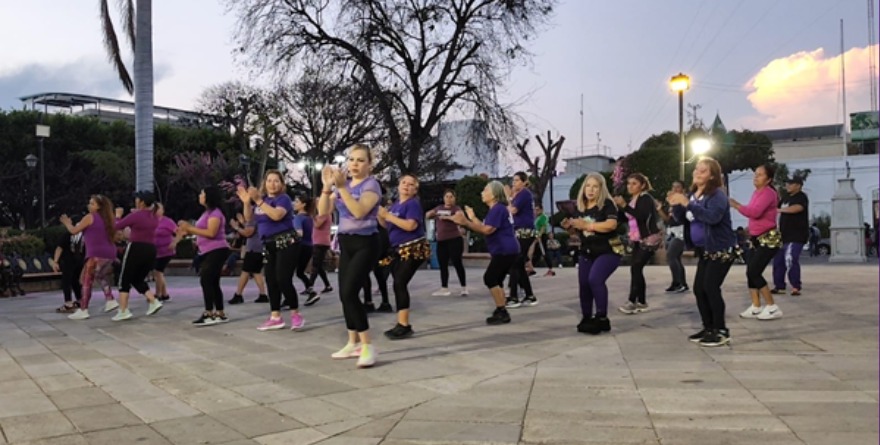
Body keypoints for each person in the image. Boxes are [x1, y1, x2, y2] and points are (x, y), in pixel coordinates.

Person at [317, 144, 381, 368]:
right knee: (345, 295)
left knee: (350, 291)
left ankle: (367, 345)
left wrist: (342, 187)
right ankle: (352, 341)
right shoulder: (344, 185)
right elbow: (323, 211)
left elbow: (359, 211)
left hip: (366, 242)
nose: (354, 164)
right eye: (351, 159)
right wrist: (327, 187)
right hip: (346, 242)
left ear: (369, 164)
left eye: (360, 160)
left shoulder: (371, 184)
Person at [668, 158, 738, 347]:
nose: (697, 173)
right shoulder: (693, 194)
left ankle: (721, 330)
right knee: (699, 289)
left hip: (721, 248)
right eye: (696, 170)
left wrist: (687, 203)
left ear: (712, 175)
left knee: (711, 287)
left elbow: (712, 217)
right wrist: (677, 204)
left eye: (703, 171)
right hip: (705, 250)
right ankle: (708, 327)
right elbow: (682, 218)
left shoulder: (717, 195)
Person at [238, 170, 304, 331]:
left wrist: (258, 200)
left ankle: (295, 314)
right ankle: (275, 316)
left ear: (282, 184)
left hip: (286, 241)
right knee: (271, 280)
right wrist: (247, 202)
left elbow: (276, 215)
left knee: (283, 278)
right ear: (264, 183)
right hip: (268, 243)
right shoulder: (264, 200)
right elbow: (249, 219)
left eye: (276, 181)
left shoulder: (284, 199)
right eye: (269, 181)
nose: (272, 184)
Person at [448, 181, 518, 325]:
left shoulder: (498, 208)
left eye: (485, 190)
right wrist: (471, 217)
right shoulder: (497, 209)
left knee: (490, 278)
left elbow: (487, 230)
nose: (482, 193)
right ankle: (501, 308)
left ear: (494, 194)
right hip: (507, 249)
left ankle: (502, 311)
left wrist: (466, 222)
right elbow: (484, 226)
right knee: (497, 280)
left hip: (504, 250)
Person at [561, 173, 622, 335]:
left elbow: (611, 224)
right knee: (584, 284)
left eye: (595, 186)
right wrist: (570, 228)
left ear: (601, 189)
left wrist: (588, 225)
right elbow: (576, 234)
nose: (591, 190)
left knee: (595, 279)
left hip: (609, 250)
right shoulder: (579, 208)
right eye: (588, 186)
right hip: (587, 251)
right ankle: (586, 317)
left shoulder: (607, 204)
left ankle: (602, 317)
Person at [378, 174, 428, 340]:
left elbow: (410, 225)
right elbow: (387, 225)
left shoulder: (412, 204)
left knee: (400, 282)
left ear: (415, 189)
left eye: (411, 184)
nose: (407, 186)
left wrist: (388, 216)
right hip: (397, 249)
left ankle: (404, 325)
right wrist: (380, 214)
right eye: (404, 183)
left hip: (413, 248)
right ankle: (402, 323)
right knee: (398, 283)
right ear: (398, 186)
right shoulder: (395, 206)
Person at [730, 163, 783, 320]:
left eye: (760, 175)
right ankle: (756, 306)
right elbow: (755, 214)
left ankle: (772, 306)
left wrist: (736, 205)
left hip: (769, 238)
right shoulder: (757, 192)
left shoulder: (768, 193)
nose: (756, 177)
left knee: (754, 271)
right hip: (756, 238)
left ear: (768, 179)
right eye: (755, 174)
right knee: (750, 272)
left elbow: (755, 212)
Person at [59, 195, 119, 320]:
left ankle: (83, 309)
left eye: (92, 204)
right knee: (99, 275)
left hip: (95, 254)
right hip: (110, 254)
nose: (89, 205)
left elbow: (74, 231)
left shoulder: (90, 217)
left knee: (87, 281)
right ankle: (110, 299)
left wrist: (67, 224)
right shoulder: (109, 218)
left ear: (99, 206)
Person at [178, 186, 230, 326]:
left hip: (217, 250)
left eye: (202, 193)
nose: (200, 195)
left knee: (206, 280)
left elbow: (211, 232)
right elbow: (201, 231)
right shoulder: (207, 212)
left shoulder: (215, 213)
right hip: (208, 251)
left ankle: (209, 313)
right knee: (213, 282)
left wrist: (190, 228)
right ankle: (220, 312)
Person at [111, 191, 164, 321]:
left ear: (141, 202)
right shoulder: (154, 217)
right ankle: (153, 300)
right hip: (151, 249)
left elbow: (116, 226)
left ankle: (123, 310)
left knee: (124, 279)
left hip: (136, 248)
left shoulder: (136, 215)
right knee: (137, 278)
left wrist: (118, 216)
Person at [615, 173, 662, 315]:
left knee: (636, 267)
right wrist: (619, 208)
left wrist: (625, 206)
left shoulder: (646, 198)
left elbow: (641, 215)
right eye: (629, 183)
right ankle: (641, 302)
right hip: (636, 238)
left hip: (648, 238)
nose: (630, 186)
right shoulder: (632, 200)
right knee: (636, 269)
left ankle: (632, 301)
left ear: (642, 185)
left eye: (634, 183)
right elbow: (625, 217)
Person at [505, 171, 538, 308]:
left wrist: (508, 197)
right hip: (519, 230)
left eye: (517, 180)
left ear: (524, 182)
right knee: (518, 264)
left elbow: (513, 210)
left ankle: (513, 296)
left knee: (514, 262)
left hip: (524, 231)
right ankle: (529, 295)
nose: (514, 183)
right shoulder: (519, 195)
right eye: (513, 180)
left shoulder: (524, 194)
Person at [426, 189, 468, 296]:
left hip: (454, 239)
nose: (449, 199)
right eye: (447, 197)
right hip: (441, 240)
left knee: (457, 262)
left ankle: (464, 287)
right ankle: (444, 288)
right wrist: (431, 213)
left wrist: (447, 217)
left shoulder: (456, 208)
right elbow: (428, 215)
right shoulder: (439, 208)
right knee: (442, 264)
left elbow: (459, 217)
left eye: (451, 197)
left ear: (455, 198)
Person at [772, 177, 809, 296]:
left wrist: (780, 210)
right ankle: (779, 286)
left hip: (796, 235)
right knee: (778, 261)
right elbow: (774, 208)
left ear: (798, 185)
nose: (788, 186)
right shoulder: (785, 198)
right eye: (787, 183)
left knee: (791, 258)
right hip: (781, 235)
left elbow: (797, 208)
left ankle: (795, 286)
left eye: (791, 184)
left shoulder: (801, 197)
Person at [227, 212, 268, 304]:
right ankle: (262, 295)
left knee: (245, 271)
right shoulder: (257, 219)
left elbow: (248, 233)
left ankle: (238, 295)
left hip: (254, 249)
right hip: (259, 248)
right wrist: (243, 223)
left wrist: (236, 227)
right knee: (256, 272)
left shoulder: (253, 218)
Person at [657, 180, 689, 293]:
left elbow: (679, 218)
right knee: (676, 258)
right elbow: (667, 220)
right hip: (671, 232)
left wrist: (673, 204)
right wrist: (660, 209)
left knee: (671, 256)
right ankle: (680, 282)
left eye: (678, 187)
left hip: (681, 232)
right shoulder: (672, 204)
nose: (675, 189)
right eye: (673, 187)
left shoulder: (683, 203)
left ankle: (678, 283)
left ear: (683, 190)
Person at [362, 223, 393, 313]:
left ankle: (368, 302)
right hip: (382, 239)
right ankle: (385, 302)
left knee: (364, 271)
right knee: (379, 272)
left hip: (373, 238)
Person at [52, 230, 84, 313]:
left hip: (70, 261)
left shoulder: (68, 234)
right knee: (74, 281)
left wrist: (55, 261)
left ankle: (69, 302)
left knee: (67, 281)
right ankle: (80, 300)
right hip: (77, 261)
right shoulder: (82, 235)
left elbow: (59, 248)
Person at [293, 196, 317, 302]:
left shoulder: (298, 218)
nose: (295, 203)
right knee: (300, 272)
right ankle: (311, 291)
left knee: (287, 273)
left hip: (300, 247)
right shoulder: (309, 218)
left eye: (297, 201)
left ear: (303, 205)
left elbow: (299, 234)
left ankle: (289, 298)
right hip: (309, 246)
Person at [152, 203, 177, 302]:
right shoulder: (150, 221)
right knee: (158, 272)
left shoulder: (167, 221)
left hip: (166, 251)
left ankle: (158, 294)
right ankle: (164, 293)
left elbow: (179, 232)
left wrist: (175, 242)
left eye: (158, 209)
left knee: (158, 271)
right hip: (155, 251)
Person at [307, 211, 334, 301]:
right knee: (319, 266)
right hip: (318, 241)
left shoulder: (324, 214)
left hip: (320, 242)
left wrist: (312, 216)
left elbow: (317, 224)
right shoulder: (322, 214)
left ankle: (309, 286)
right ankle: (327, 285)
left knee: (315, 265)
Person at [530, 203, 555, 277]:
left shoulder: (543, 217)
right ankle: (531, 267)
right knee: (537, 253)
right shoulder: (536, 218)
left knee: (544, 252)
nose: (535, 211)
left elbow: (543, 227)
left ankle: (550, 269)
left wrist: (539, 236)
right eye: (535, 210)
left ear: (541, 210)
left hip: (541, 237)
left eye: (537, 210)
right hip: (536, 236)